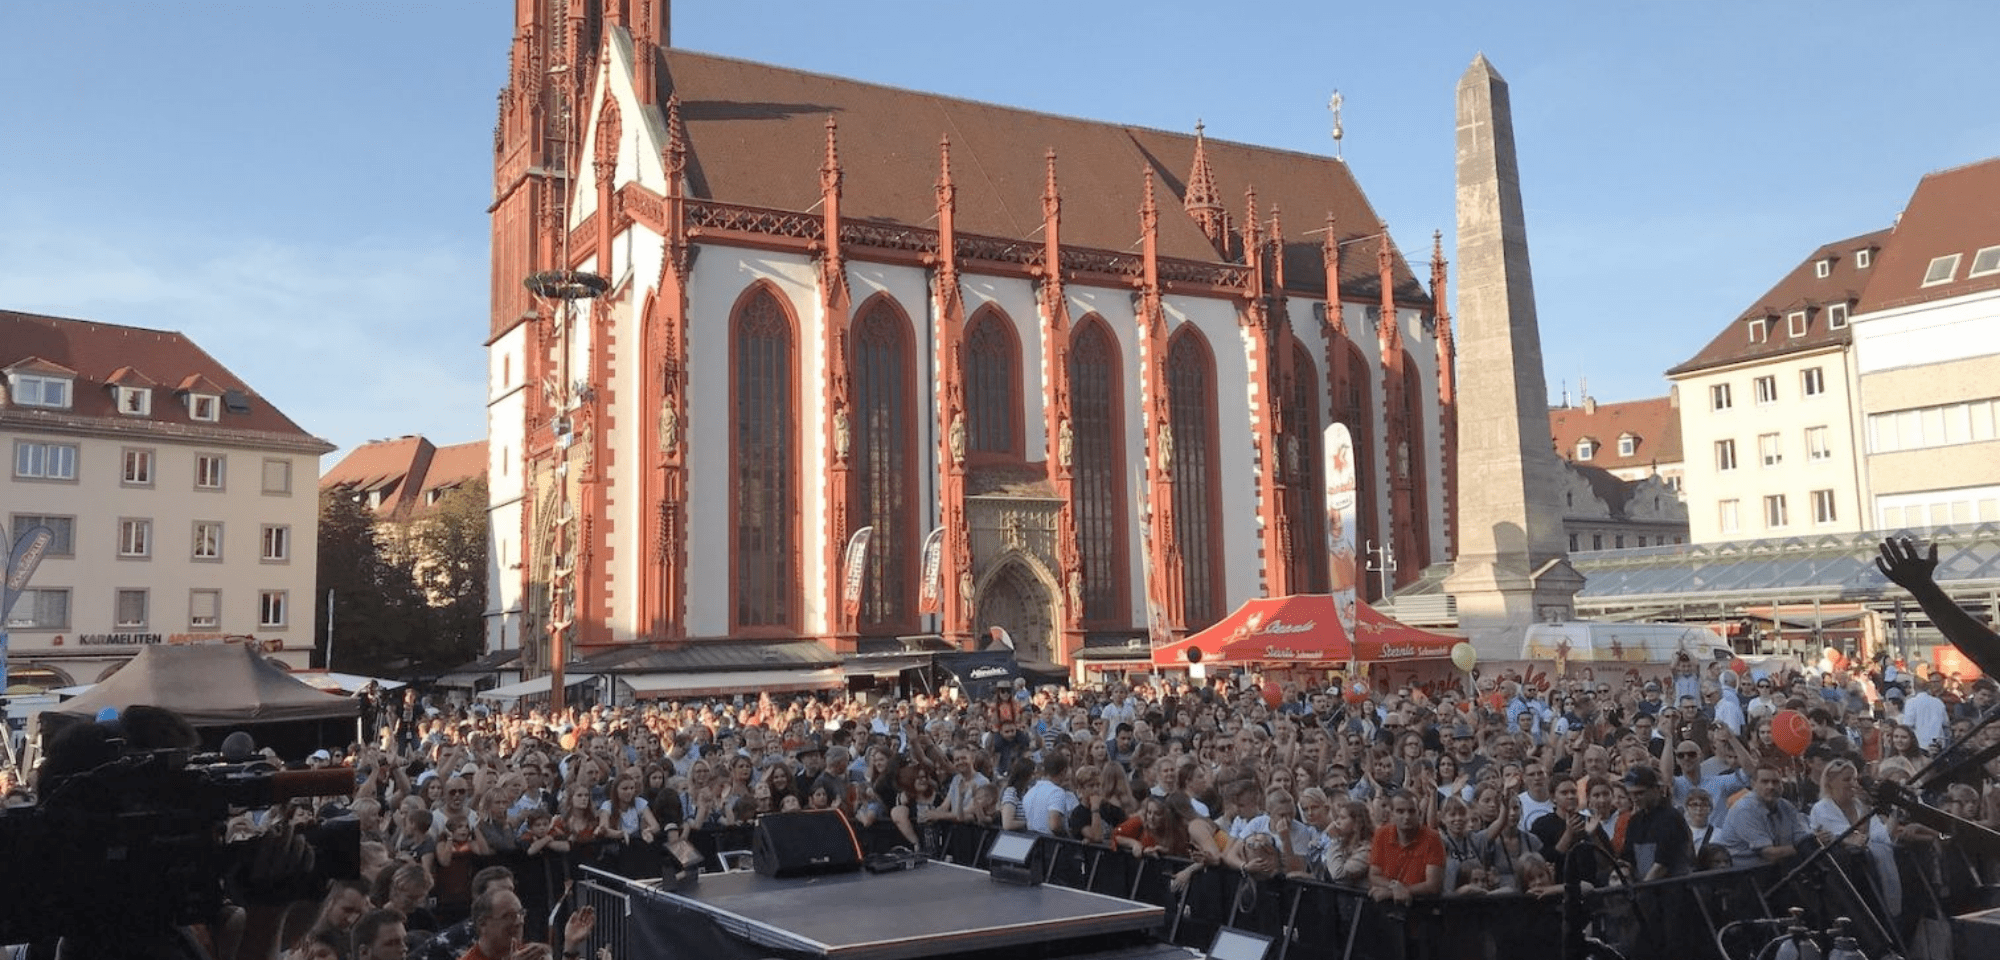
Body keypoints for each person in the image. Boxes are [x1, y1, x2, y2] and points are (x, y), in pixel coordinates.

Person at [1718, 761, 1820, 868]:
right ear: (1753, 784)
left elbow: (1800, 836)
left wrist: (1816, 839)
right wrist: (1809, 845)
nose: (1771, 786)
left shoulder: (1786, 806)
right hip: (1744, 874)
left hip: (1778, 870)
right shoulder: (1744, 809)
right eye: (1765, 782)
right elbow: (1769, 854)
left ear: (1782, 785)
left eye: (1776, 782)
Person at [1367, 793, 1444, 904]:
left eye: (1412, 811)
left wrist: (1393, 892)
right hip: (1386, 907)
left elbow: (1433, 885)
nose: (1407, 817)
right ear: (1392, 814)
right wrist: (1394, 886)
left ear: (1419, 813)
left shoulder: (1433, 838)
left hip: (1422, 907)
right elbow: (1374, 875)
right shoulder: (1381, 833)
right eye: (1400, 811)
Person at [1619, 766, 1691, 880]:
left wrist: (1643, 890)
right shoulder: (1635, 821)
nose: (1634, 798)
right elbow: (1628, 858)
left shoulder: (1671, 818)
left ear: (1656, 789)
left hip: (1671, 888)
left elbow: (1663, 864)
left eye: (1639, 793)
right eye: (1631, 794)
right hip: (1646, 887)